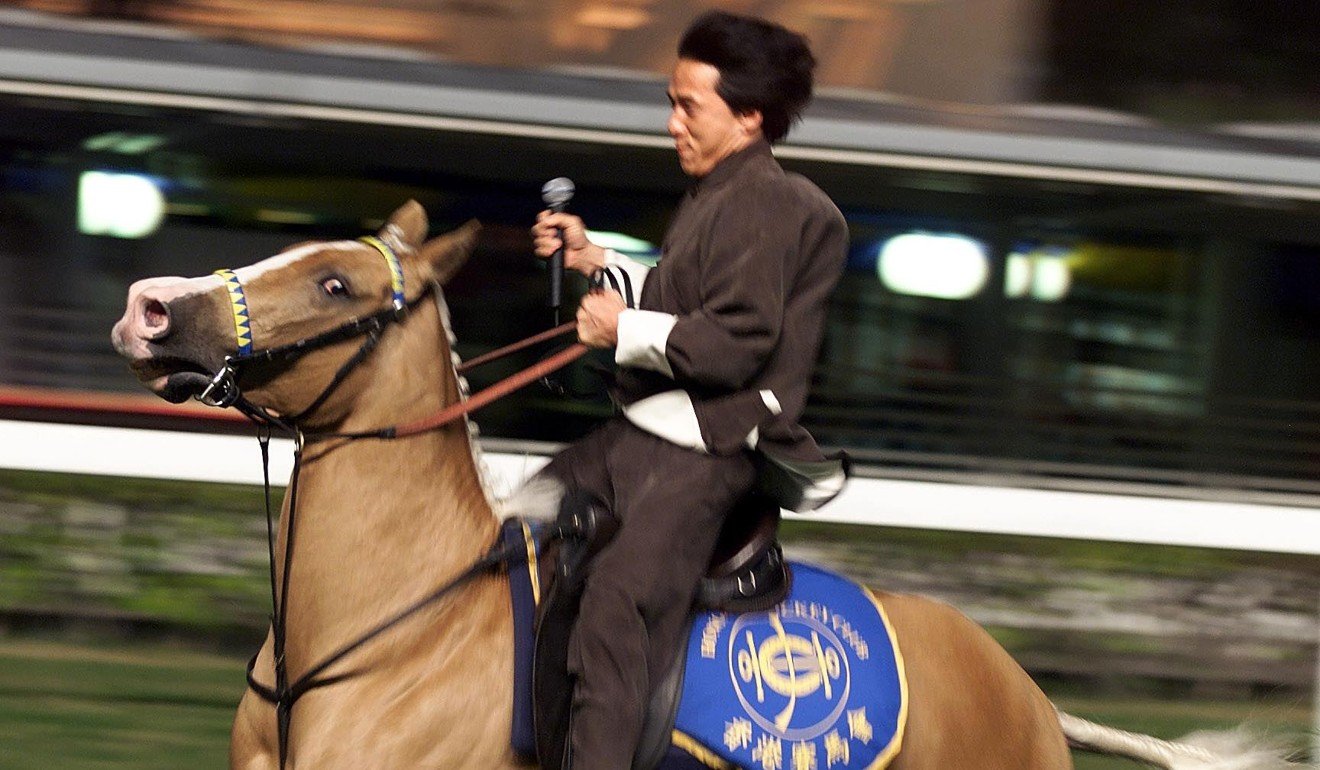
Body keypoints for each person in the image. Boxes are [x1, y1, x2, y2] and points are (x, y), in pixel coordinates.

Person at [529, 10, 848, 769]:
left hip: (711, 451)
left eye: (687, 106)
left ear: (748, 117)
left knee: (614, 604)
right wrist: (595, 259)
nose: (671, 122)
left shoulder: (768, 199)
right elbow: (682, 300)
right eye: (671, 102)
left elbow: (736, 342)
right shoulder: (716, 192)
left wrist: (620, 330)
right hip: (644, 433)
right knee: (513, 526)